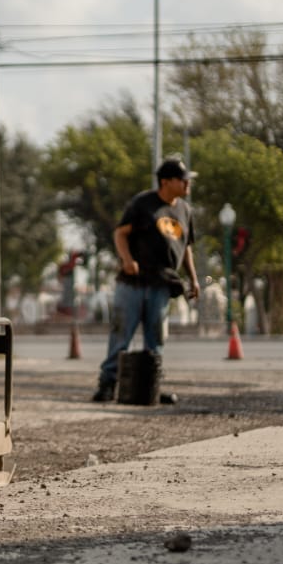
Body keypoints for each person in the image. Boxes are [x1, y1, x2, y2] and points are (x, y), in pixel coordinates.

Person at [93, 158, 200, 402]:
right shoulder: (143, 204)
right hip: (134, 282)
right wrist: (127, 259)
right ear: (166, 181)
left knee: (156, 338)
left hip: (162, 284)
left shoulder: (185, 210)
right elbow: (120, 233)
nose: (187, 184)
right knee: (121, 334)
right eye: (182, 180)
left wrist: (193, 279)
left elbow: (187, 249)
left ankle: (150, 386)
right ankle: (108, 384)